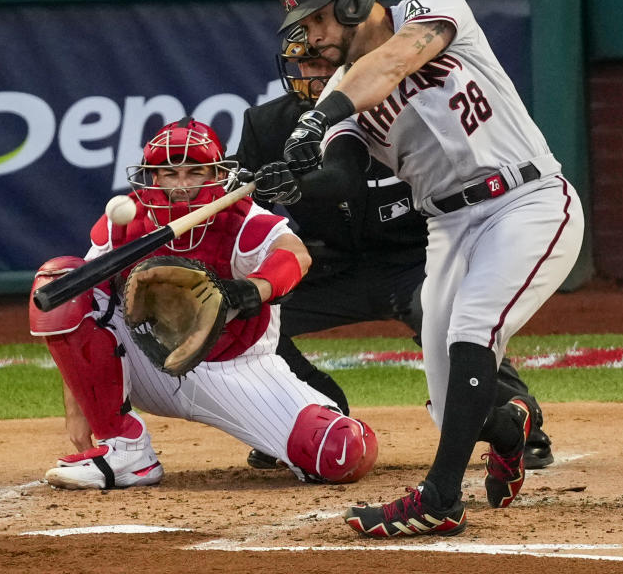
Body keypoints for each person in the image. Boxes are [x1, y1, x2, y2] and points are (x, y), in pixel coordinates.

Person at [253, 0, 584, 537]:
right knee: (450, 403)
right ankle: (512, 427)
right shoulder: (340, 98)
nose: (312, 36)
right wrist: (296, 184)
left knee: (473, 327)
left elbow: (393, 61)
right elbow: (344, 179)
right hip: (451, 228)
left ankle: (440, 498)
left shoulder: (431, 5)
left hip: (524, 199)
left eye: (318, 20)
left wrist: (318, 114)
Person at [237, 25, 555, 472]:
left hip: (417, 259)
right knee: (248, 312)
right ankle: (311, 411)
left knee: (451, 318)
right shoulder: (267, 126)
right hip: (330, 268)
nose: (315, 74)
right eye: (306, 64)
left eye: (325, 64)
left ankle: (518, 418)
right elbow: (243, 219)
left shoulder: (407, 111)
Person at [28, 117, 378, 489]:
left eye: (195, 172)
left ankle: (282, 437)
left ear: (216, 172)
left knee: (341, 452)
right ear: (153, 176)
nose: (181, 186)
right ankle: (125, 449)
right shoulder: (124, 222)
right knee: (61, 280)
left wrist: (251, 289)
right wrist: (79, 408)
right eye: (169, 173)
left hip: (235, 368)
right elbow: (80, 308)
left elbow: (295, 255)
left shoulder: (243, 218)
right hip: (150, 364)